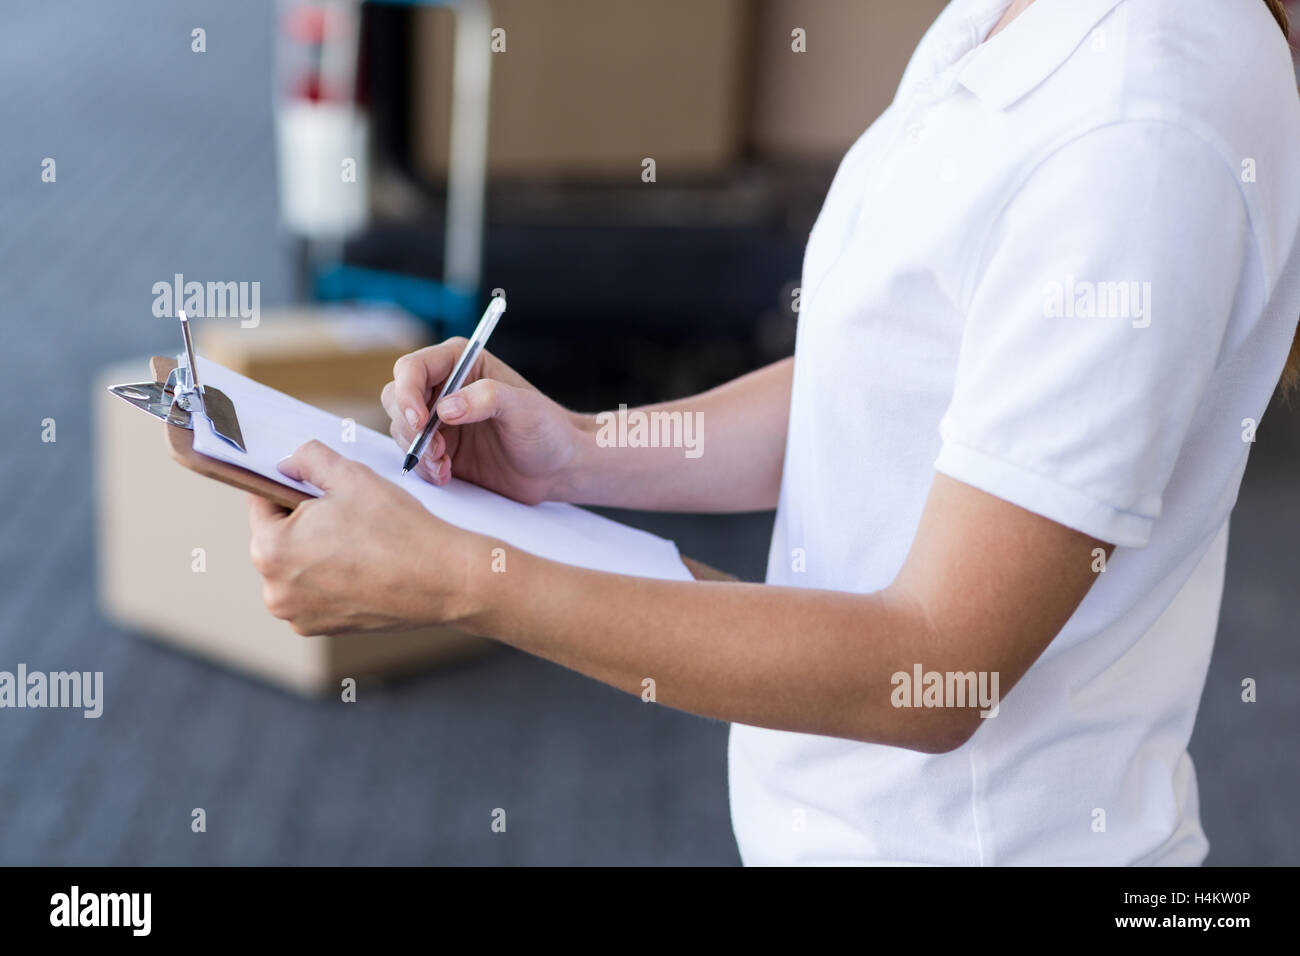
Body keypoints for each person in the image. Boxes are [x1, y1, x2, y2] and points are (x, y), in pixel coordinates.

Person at [247, 0, 1300, 865]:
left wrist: (462, 576)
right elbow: (888, 378)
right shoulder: (1010, 22)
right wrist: (577, 450)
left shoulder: (1139, 126)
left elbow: (932, 667)